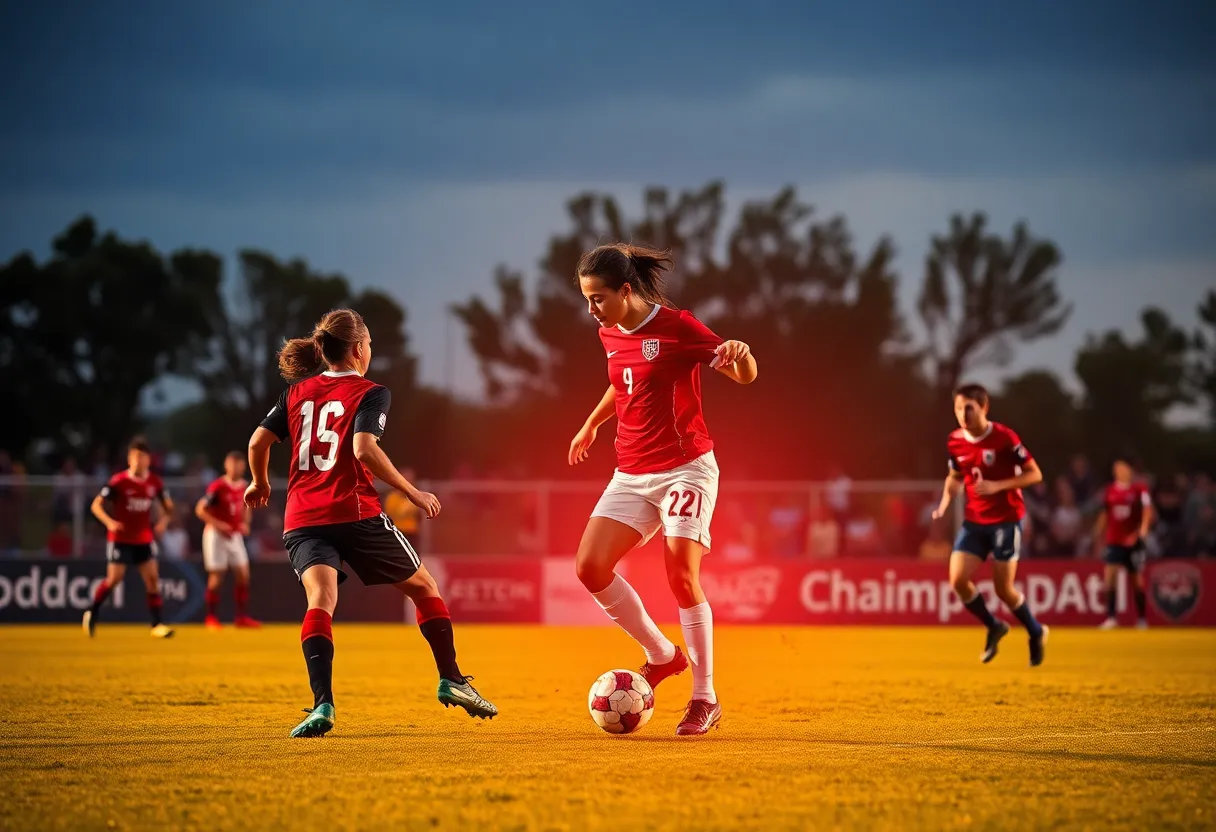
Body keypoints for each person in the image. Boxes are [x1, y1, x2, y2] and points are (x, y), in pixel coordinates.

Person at [244, 308, 497, 738]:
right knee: (425, 588)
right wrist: (412, 492)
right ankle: (452, 679)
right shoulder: (371, 392)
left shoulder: (296, 392)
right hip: (354, 512)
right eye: (370, 344)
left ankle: (322, 704)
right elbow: (363, 449)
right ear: (359, 348)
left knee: (320, 600)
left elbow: (257, 442)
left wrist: (259, 482)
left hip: (302, 518)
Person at [567, 244, 758, 737]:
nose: (591, 309)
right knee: (589, 567)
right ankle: (662, 655)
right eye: (586, 299)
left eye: (598, 298)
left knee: (680, 575)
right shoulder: (608, 330)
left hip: (685, 469)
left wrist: (742, 355)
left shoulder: (678, 327)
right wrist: (591, 424)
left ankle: (705, 698)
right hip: (631, 473)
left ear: (626, 290)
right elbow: (624, 382)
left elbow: (744, 375)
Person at [932, 384, 1048, 666]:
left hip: (1006, 520)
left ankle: (1035, 631)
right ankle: (994, 626)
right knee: (957, 580)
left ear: (984, 408)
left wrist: (998, 486)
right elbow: (954, 476)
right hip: (975, 521)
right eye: (958, 408)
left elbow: (1035, 475)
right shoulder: (955, 440)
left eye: (969, 408)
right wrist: (945, 503)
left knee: (1003, 590)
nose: (963, 414)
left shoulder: (1005, 437)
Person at [84, 437, 175, 638]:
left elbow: (169, 508)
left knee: (152, 579)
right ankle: (93, 610)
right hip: (120, 538)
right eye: (134, 457)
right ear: (129, 459)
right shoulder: (119, 481)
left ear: (148, 460)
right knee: (115, 579)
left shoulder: (155, 482)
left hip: (143, 538)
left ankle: (157, 625)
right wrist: (109, 522)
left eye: (142, 457)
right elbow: (96, 505)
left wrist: (163, 522)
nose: (138, 461)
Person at [196, 451, 260, 629]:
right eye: (232, 463)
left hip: (234, 535)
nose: (235, 467)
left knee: (243, 574)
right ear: (226, 465)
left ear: (244, 466)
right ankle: (211, 617)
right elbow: (200, 509)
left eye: (239, 463)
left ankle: (241, 617)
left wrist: (245, 523)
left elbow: (247, 506)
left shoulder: (244, 486)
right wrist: (218, 525)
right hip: (216, 535)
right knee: (217, 577)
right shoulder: (218, 486)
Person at [1092, 458, 1153, 629]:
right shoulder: (1109, 491)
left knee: (1137, 580)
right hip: (1114, 540)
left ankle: (1142, 618)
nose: (1120, 471)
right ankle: (1111, 617)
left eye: (1123, 468)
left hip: (1133, 541)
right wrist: (1097, 532)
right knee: (1109, 578)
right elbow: (1105, 513)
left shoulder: (1139, 489)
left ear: (1130, 470)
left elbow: (1147, 510)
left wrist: (1143, 530)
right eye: (1117, 468)